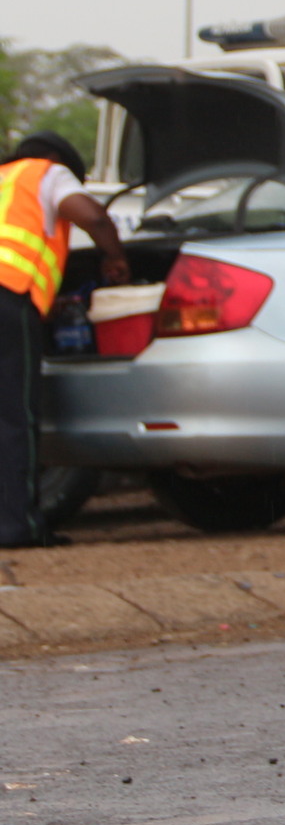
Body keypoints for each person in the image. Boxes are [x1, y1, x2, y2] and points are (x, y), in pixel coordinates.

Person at [0, 133, 128, 549]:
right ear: (56, 159)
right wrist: (113, 256)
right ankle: (18, 526)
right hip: (6, 296)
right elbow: (92, 216)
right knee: (14, 417)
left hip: (15, 296)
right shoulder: (47, 173)